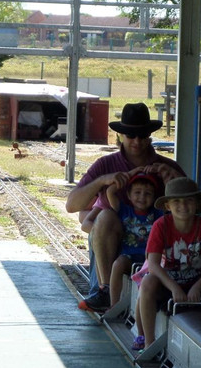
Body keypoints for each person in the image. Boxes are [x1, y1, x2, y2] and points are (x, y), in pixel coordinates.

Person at [65, 102, 186, 310]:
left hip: (157, 243)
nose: (137, 141)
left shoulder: (168, 167)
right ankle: (104, 289)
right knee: (105, 217)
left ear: (150, 136)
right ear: (121, 136)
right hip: (114, 241)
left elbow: (193, 211)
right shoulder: (105, 165)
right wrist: (102, 181)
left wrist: (173, 182)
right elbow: (72, 205)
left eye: (142, 135)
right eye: (131, 135)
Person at [135, 177, 201, 351]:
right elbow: (154, 264)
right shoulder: (161, 225)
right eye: (177, 202)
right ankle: (149, 342)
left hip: (197, 283)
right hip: (168, 283)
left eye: (189, 201)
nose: (183, 206)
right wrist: (174, 288)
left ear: (196, 204)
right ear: (168, 206)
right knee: (148, 282)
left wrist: (197, 286)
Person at [100, 172, 163, 321]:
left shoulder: (158, 214)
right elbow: (110, 191)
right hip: (129, 256)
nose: (142, 197)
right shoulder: (124, 210)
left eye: (148, 194)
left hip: (150, 258)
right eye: (137, 192)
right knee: (118, 264)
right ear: (128, 194)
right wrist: (131, 174)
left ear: (154, 197)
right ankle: (114, 304)